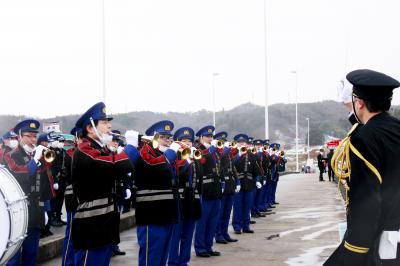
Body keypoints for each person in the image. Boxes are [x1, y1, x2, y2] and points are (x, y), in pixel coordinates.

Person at [325, 69, 400, 265]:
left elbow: (367, 200)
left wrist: (354, 249)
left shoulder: (363, 139)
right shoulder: (394, 128)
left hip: (379, 235)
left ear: (359, 103)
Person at [71, 102, 140, 266]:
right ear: (90, 128)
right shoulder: (84, 150)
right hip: (91, 224)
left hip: (105, 221)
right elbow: (115, 165)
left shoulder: (101, 148)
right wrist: (130, 147)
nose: (109, 126)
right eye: (104, 122)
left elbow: (124, 167)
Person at [134, 120, 182, 266]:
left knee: (162, 258)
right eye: (163, 137)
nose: (167, 141)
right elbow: (157, 167)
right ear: (152, 138)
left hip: (166, 213)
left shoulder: (164, 155)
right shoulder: (145, 153)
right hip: (151, 215)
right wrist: (171, 153)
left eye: (169, 137)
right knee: (151, 258)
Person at [4, 119, 45, 266]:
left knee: (31, 253)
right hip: (18, 212)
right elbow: (20, 173)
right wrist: (34, 160)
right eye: (29, 136)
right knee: (14, 256)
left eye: (35, 136)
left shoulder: (35, 154)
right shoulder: (10, 155)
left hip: (35, 211)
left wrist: (44, 208)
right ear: (20, 136)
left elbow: (43, 182)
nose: (33, 140)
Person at [168, 126, 202, 266]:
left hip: (192, 199)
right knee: (176, 235)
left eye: (189, 141)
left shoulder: (194, 156)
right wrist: (187, 160)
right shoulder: (175, 156)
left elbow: (199, 178)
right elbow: (178, 175)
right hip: (180, 199)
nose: (187, 143)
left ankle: (184, 261)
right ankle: (173, 262)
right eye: (184, 140)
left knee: (188, 235)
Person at [194, 125, 222, 258]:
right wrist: (206, 149)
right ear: (201, 138)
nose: (210, 138)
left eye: (211, 136)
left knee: (212, 221)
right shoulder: (198, 149)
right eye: (207, 136)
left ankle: (208, 246)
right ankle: (200, 247)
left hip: (215, 189)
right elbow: (201, 162)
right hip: (205, 191)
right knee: (202, 221)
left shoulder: (213, 150)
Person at [215, 132, 239, 244]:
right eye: (222, 142)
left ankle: (225, 233)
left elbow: (233, 168)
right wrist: (225, 150)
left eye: (225, 142)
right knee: (220, 212)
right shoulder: (218, 152)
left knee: (227, 212)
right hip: (222, 183)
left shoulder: (228, 153)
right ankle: (218, 234)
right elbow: (220, 168)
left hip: (231, 184)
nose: (224, 144)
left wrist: (237, 181)